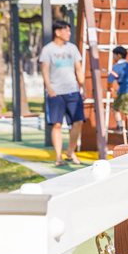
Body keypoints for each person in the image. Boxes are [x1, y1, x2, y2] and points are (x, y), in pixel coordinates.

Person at [39, 19, 85, 166]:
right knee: (57, 124)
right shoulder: (48, 50)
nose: (69, 33)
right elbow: (45, 71)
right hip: (56, 93)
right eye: (66, 30)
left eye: (69, 30)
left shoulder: (72, 48)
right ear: (57, 32)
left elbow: (78, 69)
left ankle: (70, 152)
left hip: (73, 91)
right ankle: (59, 157)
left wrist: (82, 87)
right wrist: (49, 88)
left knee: (78, 122)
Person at [107, 45, 128, 141]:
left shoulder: (117, 67)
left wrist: (110, 88)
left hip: (123, 92)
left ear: (119, 55)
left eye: (114, 55)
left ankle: (120, 125)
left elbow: (110, 80)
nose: (113, 57)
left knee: (115, 108)